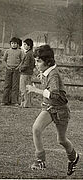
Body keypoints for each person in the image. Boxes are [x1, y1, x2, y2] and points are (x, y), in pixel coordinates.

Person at [26, 45, 79, 175]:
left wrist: (36, 90)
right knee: (36, 128)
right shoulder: (47, 72)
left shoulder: (54, 75)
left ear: (48, 62)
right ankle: (40, 160)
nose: (36, 64)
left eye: (38, 61)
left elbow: (55, 94)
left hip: (61, 111)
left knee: (61, 140)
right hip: (49, 108)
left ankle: (74, 157)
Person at [1, 37, 24, 106]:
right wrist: (7, 67)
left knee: (15, 86)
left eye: (15, 43)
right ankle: (5, 100)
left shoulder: (20, 52)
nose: (14, 45)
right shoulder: (7, 51)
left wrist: (18, 67)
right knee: (7, 85)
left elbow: (22, 61)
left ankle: (14, 101)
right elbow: (4, 60)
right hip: (8, 69)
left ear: (17, 44)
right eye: (12, 43)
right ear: (10, 44)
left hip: (16, 70)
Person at [19, 38, 35, 108]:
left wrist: (20, 69)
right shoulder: (31, 53)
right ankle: (26, 103)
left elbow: (26, 64)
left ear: (29, 46)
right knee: (27, 88)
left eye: (25, 44)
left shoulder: (28, 54)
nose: (24, 46)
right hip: (29, 73)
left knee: (24, 89)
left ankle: (25, 103)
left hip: (25, 73)